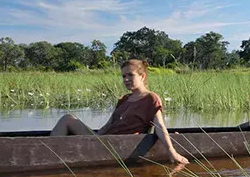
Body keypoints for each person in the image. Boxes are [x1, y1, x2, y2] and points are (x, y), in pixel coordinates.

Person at [50, 59, 189, 165]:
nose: (126, 79)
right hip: (105, 140)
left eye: (130, 75)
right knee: (67, 119)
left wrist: (172, 152)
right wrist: (93, 139)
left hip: (119, 143)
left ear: (142, 76)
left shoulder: (151, 98)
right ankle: (50, 153)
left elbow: (159, 126)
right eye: (123, 76)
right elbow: (108, 125)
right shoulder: (124, 99)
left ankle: (52, 157)